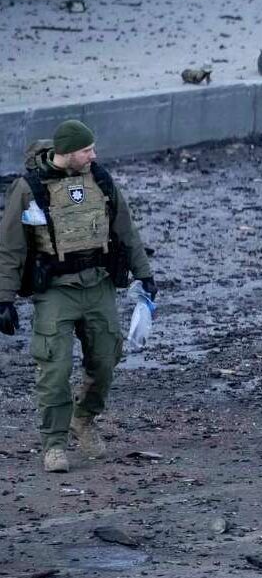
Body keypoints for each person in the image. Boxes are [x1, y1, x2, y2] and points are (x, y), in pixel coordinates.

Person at [0, 120, 156, 473]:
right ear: (67, 153)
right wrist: (4, 298)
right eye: (87, 150)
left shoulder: (100, 181)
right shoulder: (30, 188)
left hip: (98, 285)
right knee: (54, 369)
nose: (93, 155)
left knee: (105, 359)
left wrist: (144, 274)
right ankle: (54, 444)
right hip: (56, 291)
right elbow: (9, 248)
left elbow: (126, 230)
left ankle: (83, 418)